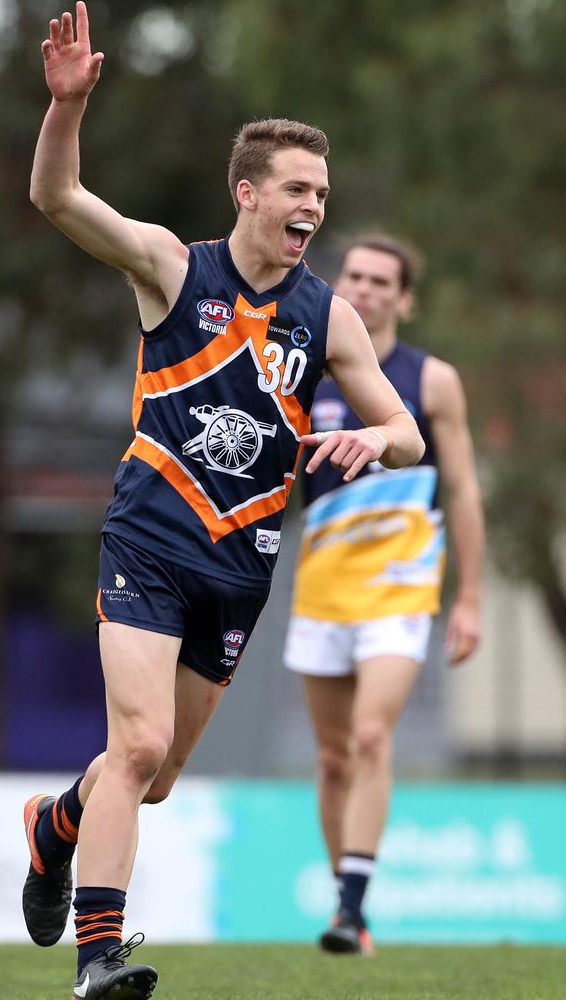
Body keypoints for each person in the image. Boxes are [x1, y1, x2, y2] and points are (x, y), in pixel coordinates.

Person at [22, 6, 425, 999]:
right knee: (140, 743)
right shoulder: (171, 266)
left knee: (150, 778)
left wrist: (375, 435)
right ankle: (99, 961)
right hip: (149, 541)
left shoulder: (325, 312)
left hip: (239, 571)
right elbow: (56, 195)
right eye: (295, 189)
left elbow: (404, 432)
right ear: (246, 193)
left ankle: (53, 825)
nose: (312, 207)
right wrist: (65, 107)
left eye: (322, 193)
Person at [283, 233, 484, 956]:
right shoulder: (306, 369)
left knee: (372, 736)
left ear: (404, 298)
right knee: (333, 756)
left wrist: (470, 599)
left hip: (401, 588)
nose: (363, 289)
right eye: (354, 276)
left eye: (380, 281)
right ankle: (351, 914)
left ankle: (349, 907)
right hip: (323, 589)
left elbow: (460, 488)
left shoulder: (431, 381)